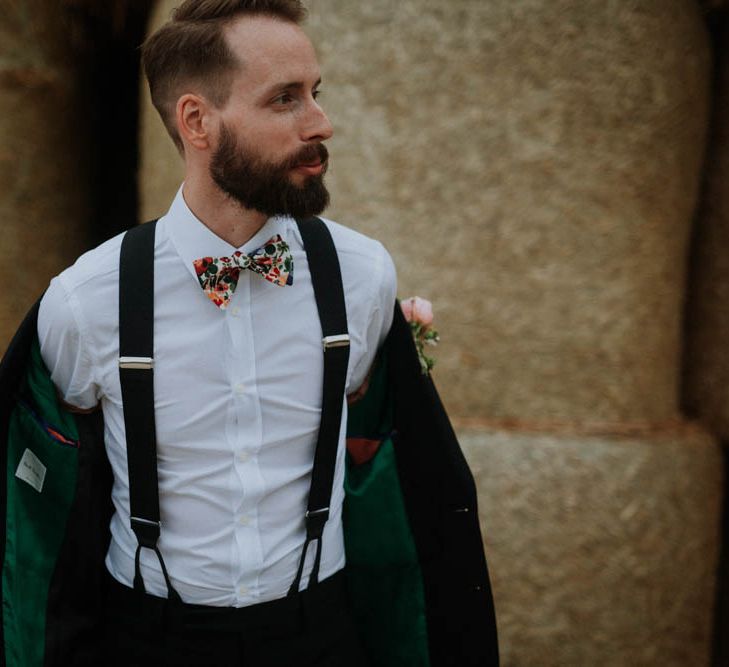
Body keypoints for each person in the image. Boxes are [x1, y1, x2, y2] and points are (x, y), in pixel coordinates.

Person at [36, 1, 394, 664]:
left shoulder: (362, 275)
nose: (322, 122)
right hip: (144, 637)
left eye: (315, 92)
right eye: (285, 98)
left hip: (320, 632)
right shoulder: (85, 300)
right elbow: (53, 482)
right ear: (197, 121)